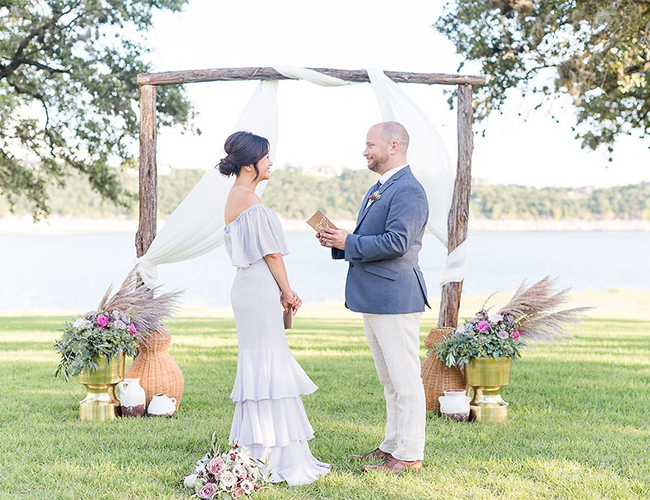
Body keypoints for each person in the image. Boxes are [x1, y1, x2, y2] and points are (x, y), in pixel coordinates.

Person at [317, 121, 429, 474]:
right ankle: (391, 445)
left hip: (395, 297)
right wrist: (340, 241)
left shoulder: (409, 189)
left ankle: (409, 454)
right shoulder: (380, 187)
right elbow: (372, 238)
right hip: (375, 297)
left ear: (393, 146)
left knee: (405, 379)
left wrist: (348, 242)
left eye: (370, 145)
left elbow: (398, 242)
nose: (365, 151)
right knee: (389, 381)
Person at [220, 131, 330, 485]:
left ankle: (262, 447)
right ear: (251, 163)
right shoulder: (248, 200)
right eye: (267, 157)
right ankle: (274, 454)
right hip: (259, 288)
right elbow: (271, 254)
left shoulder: (238, 196)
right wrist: (288, 290)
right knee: (268, 364)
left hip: (250, 287)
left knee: (265, 363)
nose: (271, 163)